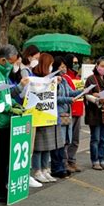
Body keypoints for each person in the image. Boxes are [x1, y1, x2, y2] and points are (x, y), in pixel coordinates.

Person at [0, 44, 26, 202]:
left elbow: (7, 94)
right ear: (3, 60)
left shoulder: (4, 72)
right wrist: (10, 107)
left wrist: (15, 105)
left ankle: (2, 186)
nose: (14, 65)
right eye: (12, 62)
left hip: (8, 122)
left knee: (5, 159)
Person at [31, 53, 70, 181]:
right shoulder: (35, 77)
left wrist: (56, 83)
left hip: (49, 115)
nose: (52, 67)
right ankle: (37, 170)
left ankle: (45, 169)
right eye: (51, 64)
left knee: (49, 145)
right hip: (39, 115)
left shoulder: (51, 78)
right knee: (38, 146)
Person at [84, 57, 104, 170]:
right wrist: (96, 97)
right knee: (95, 138)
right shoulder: (90, 79)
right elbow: (86, 95)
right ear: (97, 66)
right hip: (94, 112)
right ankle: (95, 160)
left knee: (103, 139)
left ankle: (102, 159)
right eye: (101, 66)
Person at [54, 57, 83, 173]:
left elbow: (71, 92)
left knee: (67, 139)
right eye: (61, 67)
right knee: (60, 140)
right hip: (59, 113)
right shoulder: (54, 81)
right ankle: (61, 165)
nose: (64, 69)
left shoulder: (65, 80)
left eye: (65, 66)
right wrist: (68, 99)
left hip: (66, 113)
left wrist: (82, 91)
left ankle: (65, 164)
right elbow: (54, 97)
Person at [62, 54, 84, 172]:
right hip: (70, 111)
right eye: (74, 63)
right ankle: (65, 162)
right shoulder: (66, 77)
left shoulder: (78, 77)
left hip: (79, 110)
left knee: (75, 139)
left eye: (77, 62)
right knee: (67, 139)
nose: (76, 65)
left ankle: (72, 160)